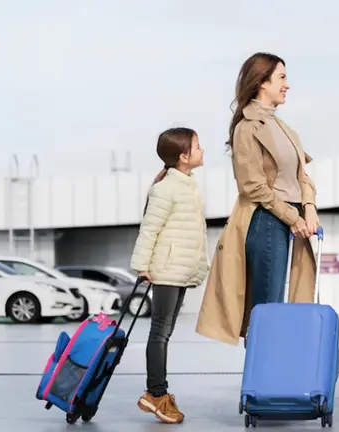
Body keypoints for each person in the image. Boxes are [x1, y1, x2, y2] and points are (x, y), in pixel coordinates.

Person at [195, 52, 320, 348]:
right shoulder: (246, 128)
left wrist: (310, 209)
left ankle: (271, 381)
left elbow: (303, 176)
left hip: (294, 220)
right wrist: (294, 218)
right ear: (263, 83)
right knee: (267, 311)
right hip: (266, 221)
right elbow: (253, 186)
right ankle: (258, 390)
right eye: (282, 78)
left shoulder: (285, 129)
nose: (287, 85)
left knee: (282, 310)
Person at [130, 127, 209, 424]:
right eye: (198, 146)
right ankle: (155, 394)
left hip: (179, 270)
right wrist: (142, 265)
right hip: (166, 270)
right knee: (160, 332)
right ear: (183, 156)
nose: (203, 150)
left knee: (165, 332)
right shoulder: (165, 188)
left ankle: (157, 393)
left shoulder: (188, 184)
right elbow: (149, 228)